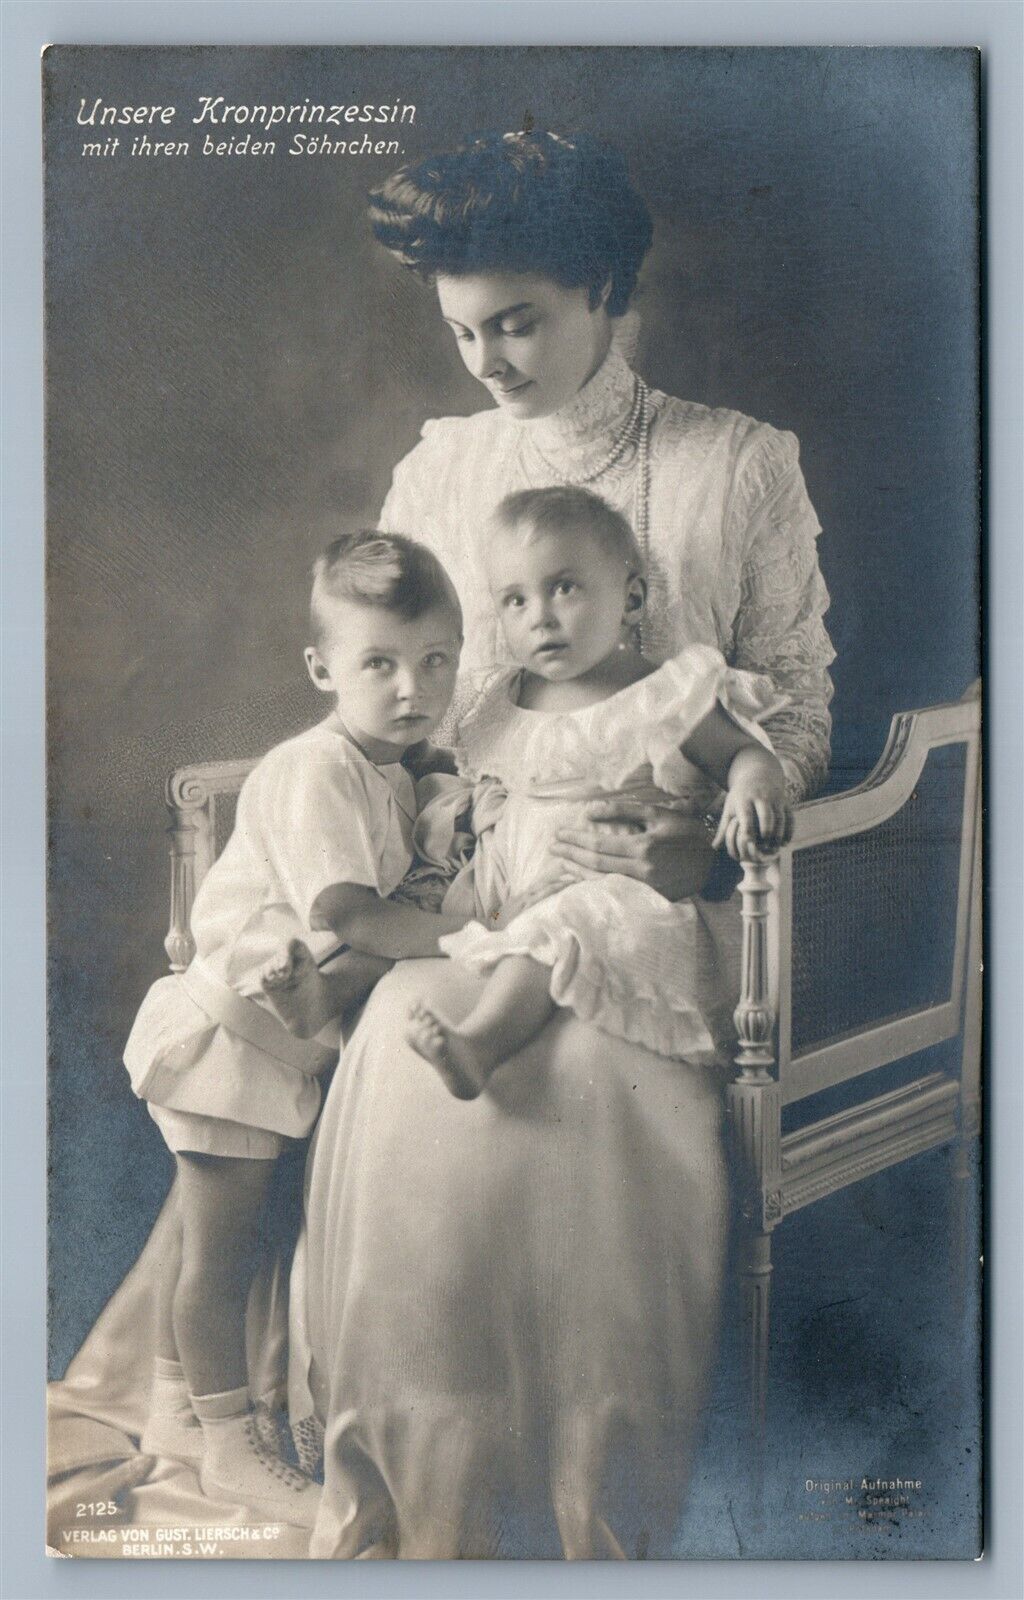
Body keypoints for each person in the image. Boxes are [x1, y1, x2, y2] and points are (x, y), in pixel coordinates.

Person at [287, 129, 835, 1558]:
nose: (490, 359)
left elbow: (798, 704)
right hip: (488, 895)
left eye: (521, 319)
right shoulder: (444, 468)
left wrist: (715, 822)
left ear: (605, 290)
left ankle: (595, 1515)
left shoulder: (738, 464)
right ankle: (441, 1506)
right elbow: (396, 699)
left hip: (671, 915)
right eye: (464, 328)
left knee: (581, 1072)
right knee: (423, 1027)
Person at [121, 529, 464, 1525]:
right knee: (218, 1256)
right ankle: (225, 1444)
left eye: (435, 658)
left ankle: (167, 1412)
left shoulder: (392, 766)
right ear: (323, 669)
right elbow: (355, 916)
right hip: (232, 1039)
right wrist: (468, 927)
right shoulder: (315, 770)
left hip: (270, 1035)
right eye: (380, 664)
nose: (414, 687)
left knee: (205, 1238)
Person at [405, 485, 792, 1098]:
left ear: (631, 598)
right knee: (456, 921)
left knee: (569, 918)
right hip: (514, 893)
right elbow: (482, 789)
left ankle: (480, 1043)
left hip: (627, 897)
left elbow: (743, 752)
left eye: (565, 587)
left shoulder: (661, 693)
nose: (541, 616)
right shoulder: (499, 705)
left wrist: (752, 783)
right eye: (515, 600)